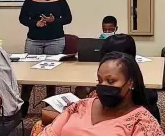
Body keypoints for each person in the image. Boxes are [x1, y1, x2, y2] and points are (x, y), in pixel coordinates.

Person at [31, 52, 164, 136]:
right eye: (99, 80)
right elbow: (50, 133)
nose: (103, 86)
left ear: (131, 83)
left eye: (111, 81)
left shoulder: (142, 123)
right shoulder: (80, 106)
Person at [19, 0, 72, 117]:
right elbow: (22, 18)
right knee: (29, 75)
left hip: (55, 40)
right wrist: (35, 23)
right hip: (34, 41)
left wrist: (54, 20)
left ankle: (50, 106)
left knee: (51, 76)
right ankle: (24, 105)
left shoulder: (60, 0)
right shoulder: (30, 0)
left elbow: (68, 18)